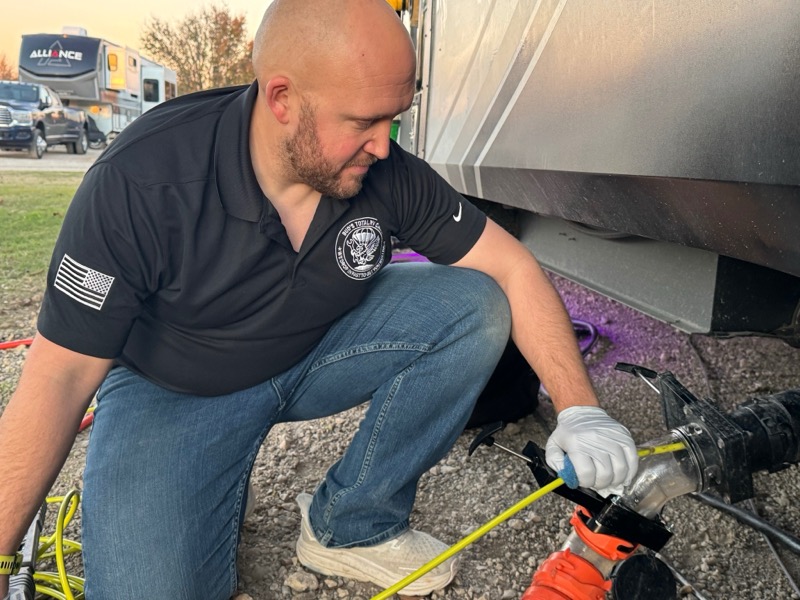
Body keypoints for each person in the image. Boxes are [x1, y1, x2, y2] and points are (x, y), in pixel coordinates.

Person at [0, 1, 638, 598]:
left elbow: (513, 266)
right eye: (363, 122)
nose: (385, 146)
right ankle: (198, 478)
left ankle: (350, 522)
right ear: (282, 98)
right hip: (174, 393)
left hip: (309, 354)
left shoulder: (384, 171)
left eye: (395, 119)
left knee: (475, 303)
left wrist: (580, 408)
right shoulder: (142, 181)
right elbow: (58, 376)